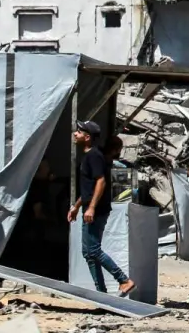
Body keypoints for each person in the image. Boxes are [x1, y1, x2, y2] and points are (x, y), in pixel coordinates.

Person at [69, 121, 136, 298]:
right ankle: (102, 295)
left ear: (87, 137)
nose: (75, 134)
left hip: (96, 210)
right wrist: (76, 207)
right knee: (88, 253)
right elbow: (88, 188)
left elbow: (101, 182)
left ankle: (123, 280)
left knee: (93, 250)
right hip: (90, 208)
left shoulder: (94, 156)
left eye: (79, 132)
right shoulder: (90, 155)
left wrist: (91, 208)